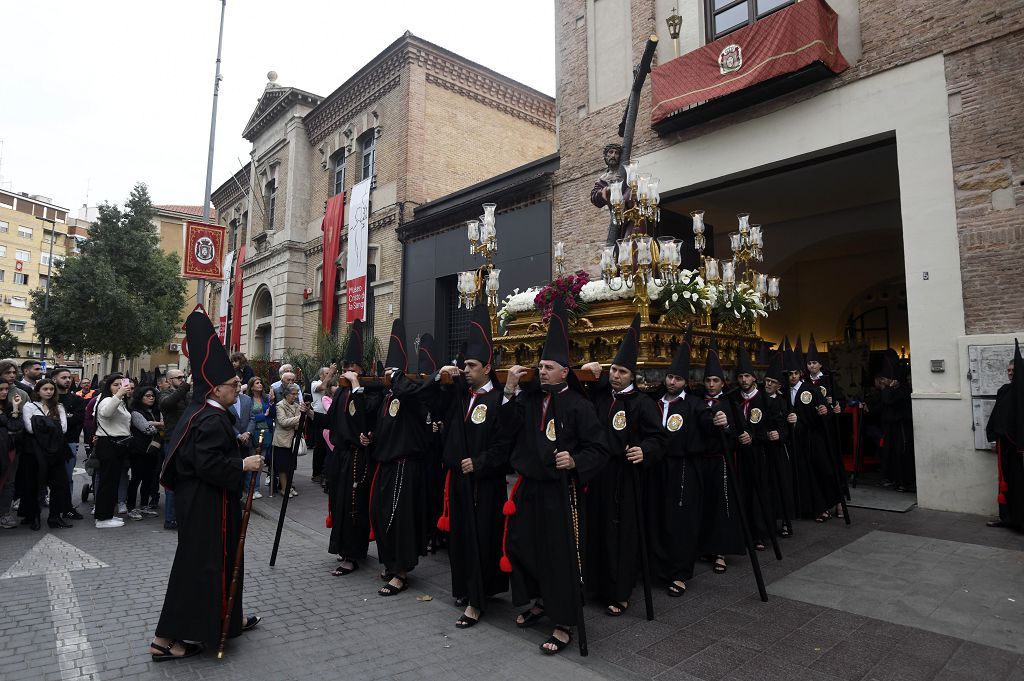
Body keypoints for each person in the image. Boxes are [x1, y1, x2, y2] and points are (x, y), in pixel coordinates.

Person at [151, 307, 264, 661]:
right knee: (200, 567)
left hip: (203, 502)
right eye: (233, 385)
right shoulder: (211, 419)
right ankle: (167, 639)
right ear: (215, 387)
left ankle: (227, 620)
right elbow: (208, 465)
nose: (238, 388)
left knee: (217, 563)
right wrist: (243, 463)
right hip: (205, 504)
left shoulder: (203, 411)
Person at [501, 298, 609, 655]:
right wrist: (510, 391)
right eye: (540, 366)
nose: (541, 371)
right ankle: (540, 602)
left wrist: (575, 460)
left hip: (562, 492)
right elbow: (507, 429)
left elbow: (599, 449)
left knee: (560, 555)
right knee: (526, 547)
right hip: (531, 488)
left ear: (565, 371)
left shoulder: (579, 405)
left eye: (548, 367)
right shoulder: (530, 400)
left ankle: (564, 622)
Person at [580, 314, 666, 616]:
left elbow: (658, 437)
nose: (616, 375)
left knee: (621, 534)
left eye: (622, 372)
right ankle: (594, 585)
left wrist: (644, 450)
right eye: (613, 369)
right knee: (596, 529)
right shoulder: (602, 396)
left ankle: (620, 591)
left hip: (624, 476)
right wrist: (591, 369)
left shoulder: (642, 403)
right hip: (598, 474)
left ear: (632, 375)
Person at [433, 304, 513, 628]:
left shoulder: (498, 400)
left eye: (471, 365)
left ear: (487, 367)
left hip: (485, 483)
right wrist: (443, 379)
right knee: (462, 541)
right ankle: (468, 590)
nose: (465, 369)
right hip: (461, 482)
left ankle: (477, 603)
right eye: (464, 364)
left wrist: (478, 463)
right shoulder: (462, 397)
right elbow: (435, 407)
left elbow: (504, 444)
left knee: (482, 540)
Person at [364, 319, 437, 597]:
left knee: (399, 520)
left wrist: (398, 378)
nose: (387, 377)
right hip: (385, 465)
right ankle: (389, 563)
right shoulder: (386, 396)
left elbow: (412, 392)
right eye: (386, 372)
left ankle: (401, 572)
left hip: (405, 467)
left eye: (392, 373)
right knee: (382, 518)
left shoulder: (411, 395)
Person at [648, 336, 712, 596]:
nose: (672, 382)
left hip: (682, 469)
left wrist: (717, 419)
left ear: (686, 381)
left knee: (680, 521)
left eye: (677, 379)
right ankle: (657, 567)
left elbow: (706, 421)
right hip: (655, 468)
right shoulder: (654, 401)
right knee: (656, 517)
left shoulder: (694, 404)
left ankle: (679, 573)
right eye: (670, 377)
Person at [325, 319, 376, 576]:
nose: (347, 370)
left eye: (352, 367)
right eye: (345, 367)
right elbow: (332, 419)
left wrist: (357, 388)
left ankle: (353, 554)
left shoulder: (365, 391)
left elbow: (363, 419)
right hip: (340, 455)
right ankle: (344, 549)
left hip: (357, 456)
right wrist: (309, 415)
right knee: (339, 502)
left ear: (360, 369)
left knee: (353, 504)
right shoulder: (340, 393)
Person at [785, 344, 842, 522]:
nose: (793, 376)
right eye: (789, 374)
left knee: (821, 471)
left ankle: (828, 504)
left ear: (800, 373)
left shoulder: (811, 390)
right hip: (796, 441)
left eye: (795, 373)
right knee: (803, 474)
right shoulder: (785, 393)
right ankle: (808, 508)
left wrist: (825, 412)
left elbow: (827, 411)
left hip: (813, 438)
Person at [729, 346, 775, 552]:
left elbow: (772, 426)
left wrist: (757, 437)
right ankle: (742, 531)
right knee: (742, 491)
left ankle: (759, 533)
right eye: (740, 376)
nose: (744, 380)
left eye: (747, 376)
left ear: (754, 378)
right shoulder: (734, 399)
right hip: (739, 453)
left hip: (758, 452)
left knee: (758, 493)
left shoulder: (763, 399)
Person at [18, 378, 70, 530]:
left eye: (51, 389)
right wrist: (52, 427)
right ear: (38, 391)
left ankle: (55, 517)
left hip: (57, 452)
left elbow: (64, 429)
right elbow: (29, 429)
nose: (48, 392)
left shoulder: (59, 407)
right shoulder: (29, 406)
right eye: (45, 389)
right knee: (34, 485)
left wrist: (43, 426)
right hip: (34, 452)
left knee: (59, 485)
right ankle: (34, 517)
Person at [985, 342, 1023, 531]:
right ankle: (1006, 518)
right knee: (1004, 483)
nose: (1009, 372)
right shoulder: (1004, 391)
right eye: (1008, 369)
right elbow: (996, 416)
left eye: (1013, 369)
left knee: (1019, 484)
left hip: (1020, 448)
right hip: (1004, 447)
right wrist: (993, 436)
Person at [159, 369, 192, 530]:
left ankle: (184, 515)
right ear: (170, 380)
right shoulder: (164, 394)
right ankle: (170, 519)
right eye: (179, 377)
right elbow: (168, 403)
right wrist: (185, 386)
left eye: (183, 377)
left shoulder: (186, 393)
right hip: (173, 441)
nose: (182, 379)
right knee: (172, 480)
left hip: (189, 441)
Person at [126, 386, 163, 520]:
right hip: (139, 451)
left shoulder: (156, 411)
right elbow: (147, 430)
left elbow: (164, 425)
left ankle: (144, 505)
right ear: (140, 397)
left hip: (153, 451)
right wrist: (158, 425)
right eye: (147, 396)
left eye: (153, 396)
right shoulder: (136, 412)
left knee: (149, 479)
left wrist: (154, 423)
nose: (151, 398)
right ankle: (131, 508)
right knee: (136, 479)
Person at [53, 368, 85, 520]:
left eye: (69, 377)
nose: (67, 380)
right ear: (54, 379)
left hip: (69, 443)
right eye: (63, 377)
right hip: (47, 444)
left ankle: (67, 507)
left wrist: (58, 420)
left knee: (67, 477)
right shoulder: (46, 398)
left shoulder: (77, 400)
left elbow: (77, 420)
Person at [272, 384, 307, 498]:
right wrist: (300, 417)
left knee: (291, 465)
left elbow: (300, 425)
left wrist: (297, 421)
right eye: (293, 394)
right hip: (282, 440)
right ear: (286, 394)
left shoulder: (297, 406)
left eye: (297, 394)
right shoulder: (279, 405)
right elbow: (283, 422)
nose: (295, 396)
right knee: (283, 467)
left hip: (293, 439)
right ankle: (284, 489)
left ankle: (289, 486)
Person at [0, 377, 25, 529]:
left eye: (5, 389)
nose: (4, 392)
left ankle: (4, 514)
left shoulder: (9, 406)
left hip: (9, 451)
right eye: (0, 389)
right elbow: (9, 426)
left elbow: (16, 427)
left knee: (8, 483)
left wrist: (15, 408)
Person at [246, 376, 273, 497]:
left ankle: (256, 488)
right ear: (251, 387)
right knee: (252, 460)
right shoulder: (248, 400)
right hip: (254, 431)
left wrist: (271, 403)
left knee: (261, 462)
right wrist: (263, 415)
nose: (260, 384)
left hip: (266, 431)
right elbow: (249, 418)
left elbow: (271, 414)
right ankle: (250, 488)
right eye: (257, 383)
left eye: (261, 382)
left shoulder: (266, 398)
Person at [310, 364, 337, 485]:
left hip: (330, 420)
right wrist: (331, 373)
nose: (329, 374)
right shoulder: (314, 383)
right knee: (319, 447)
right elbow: (323, 386)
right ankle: (316, 474)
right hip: (318, 418)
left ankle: (325, 472)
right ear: (321, 375)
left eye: (330, 373)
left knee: (328, 449)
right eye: (326, 373)